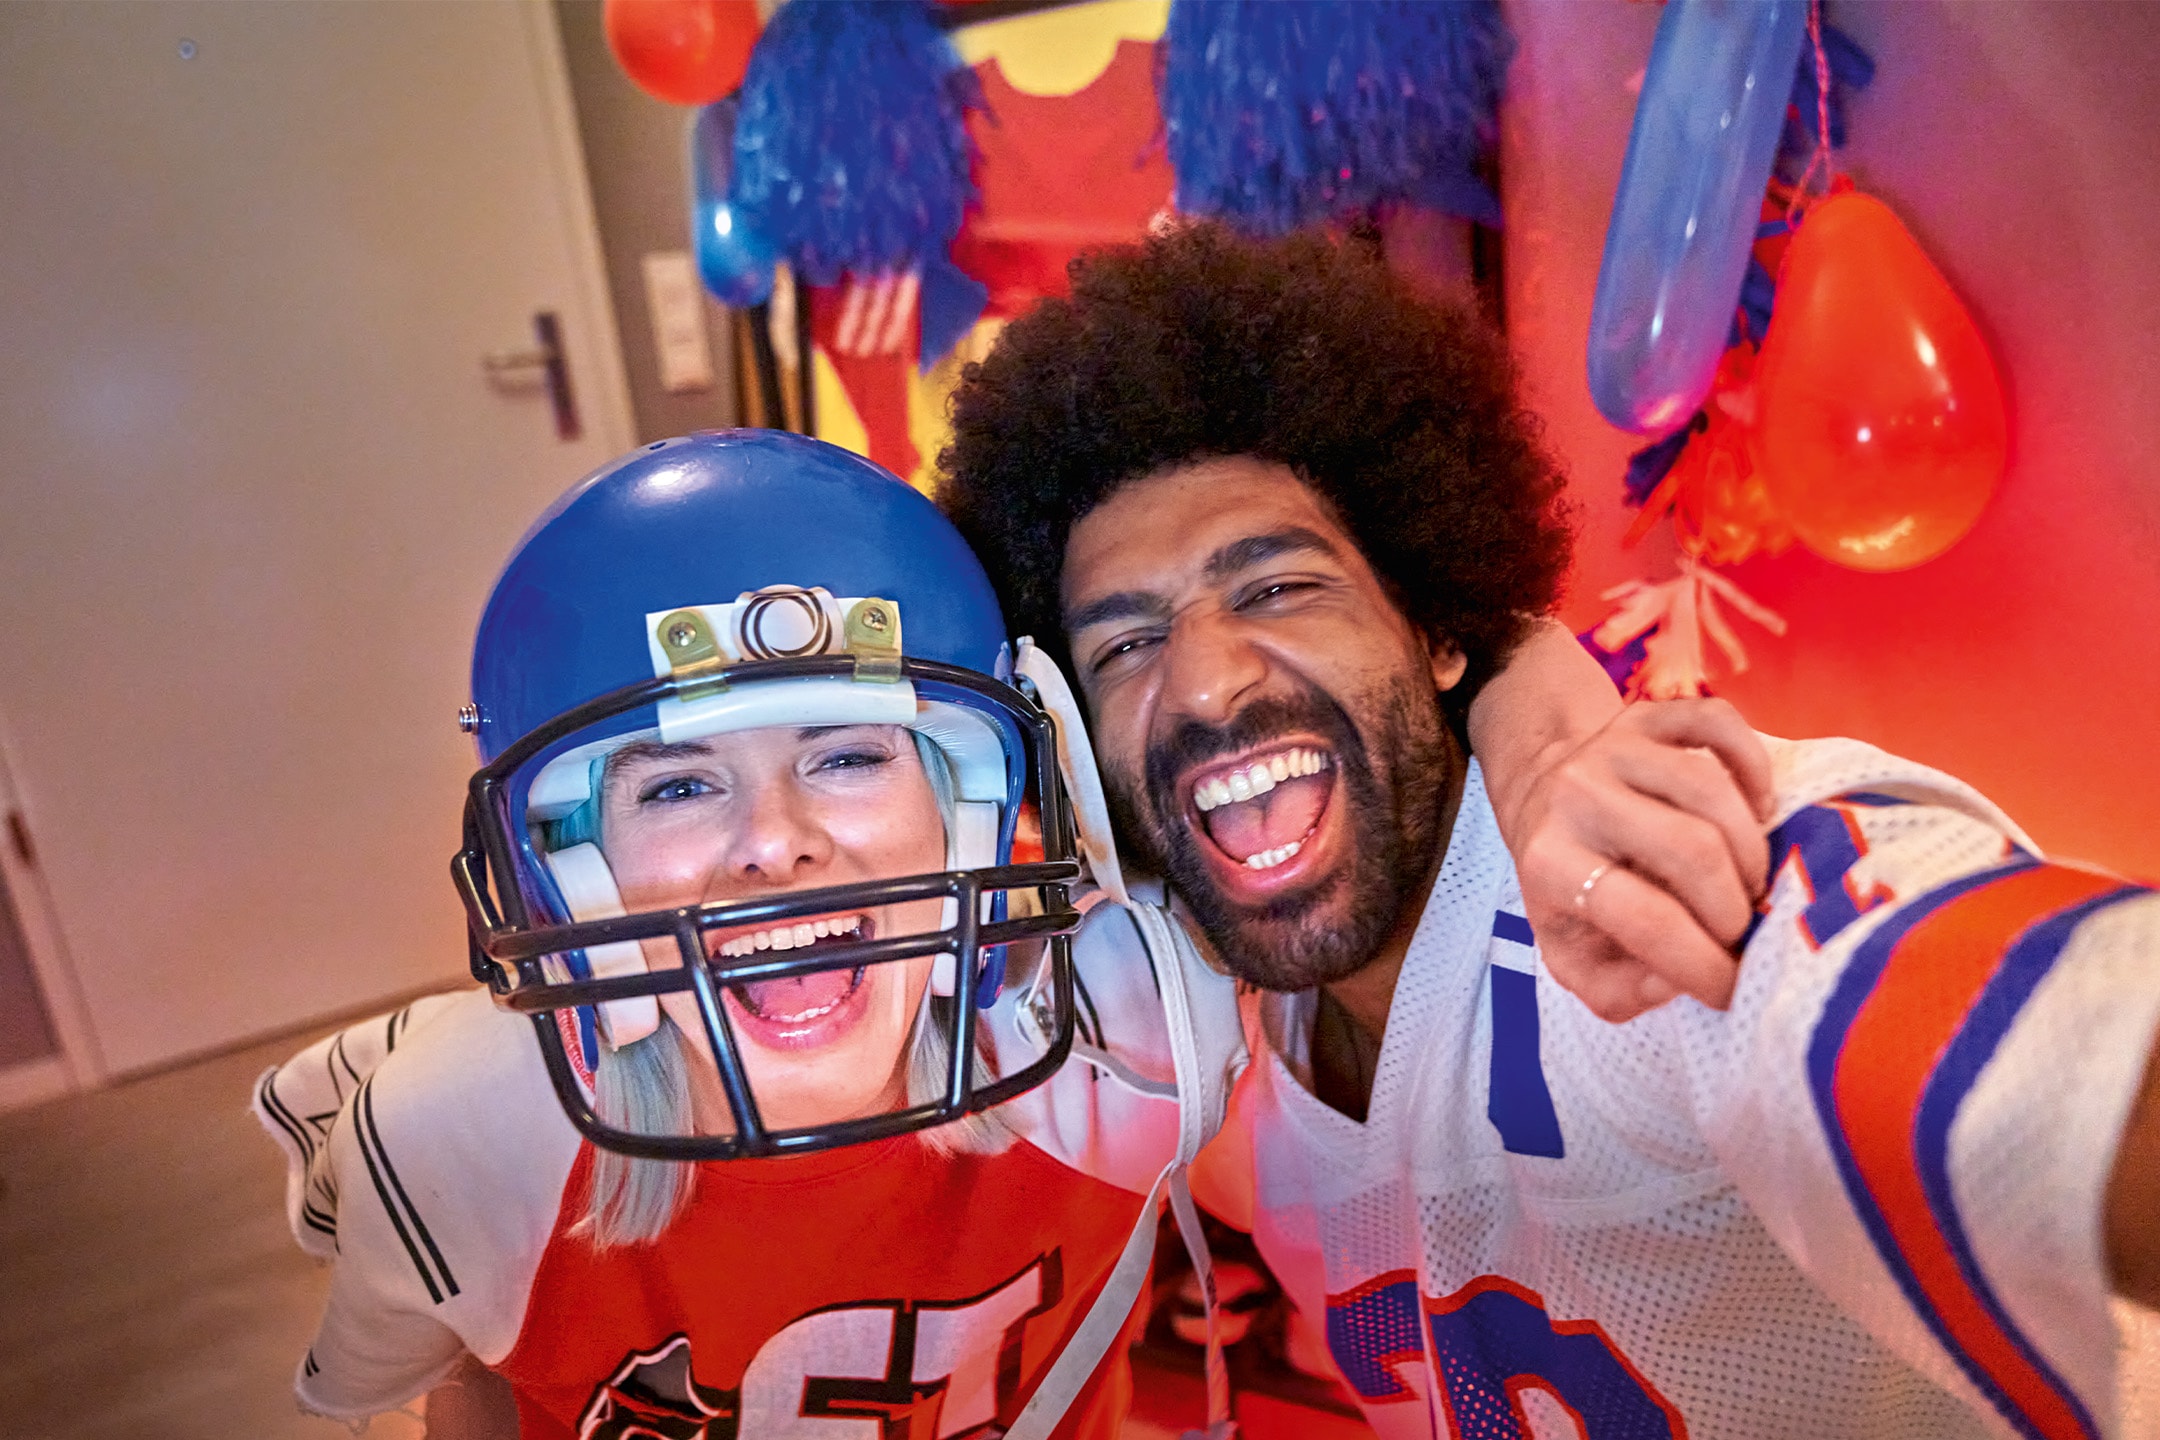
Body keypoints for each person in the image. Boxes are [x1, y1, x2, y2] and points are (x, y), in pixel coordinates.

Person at [255, 430, 1765, 1437]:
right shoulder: (471, 1128)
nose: (776, 839)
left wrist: (1546, 722)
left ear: (982, 800)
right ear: (565, 860)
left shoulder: (1129, 1024)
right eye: (677, 782)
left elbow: (1389, 684)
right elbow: (455, 1395)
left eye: (851, 756)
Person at [938, 222, 2160, 1438]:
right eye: (1127, 644)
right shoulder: (1206, 1042)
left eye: (1277, 587)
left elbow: (1995, 1025)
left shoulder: (1669, 873)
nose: (1205, 685)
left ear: (1442, 629)